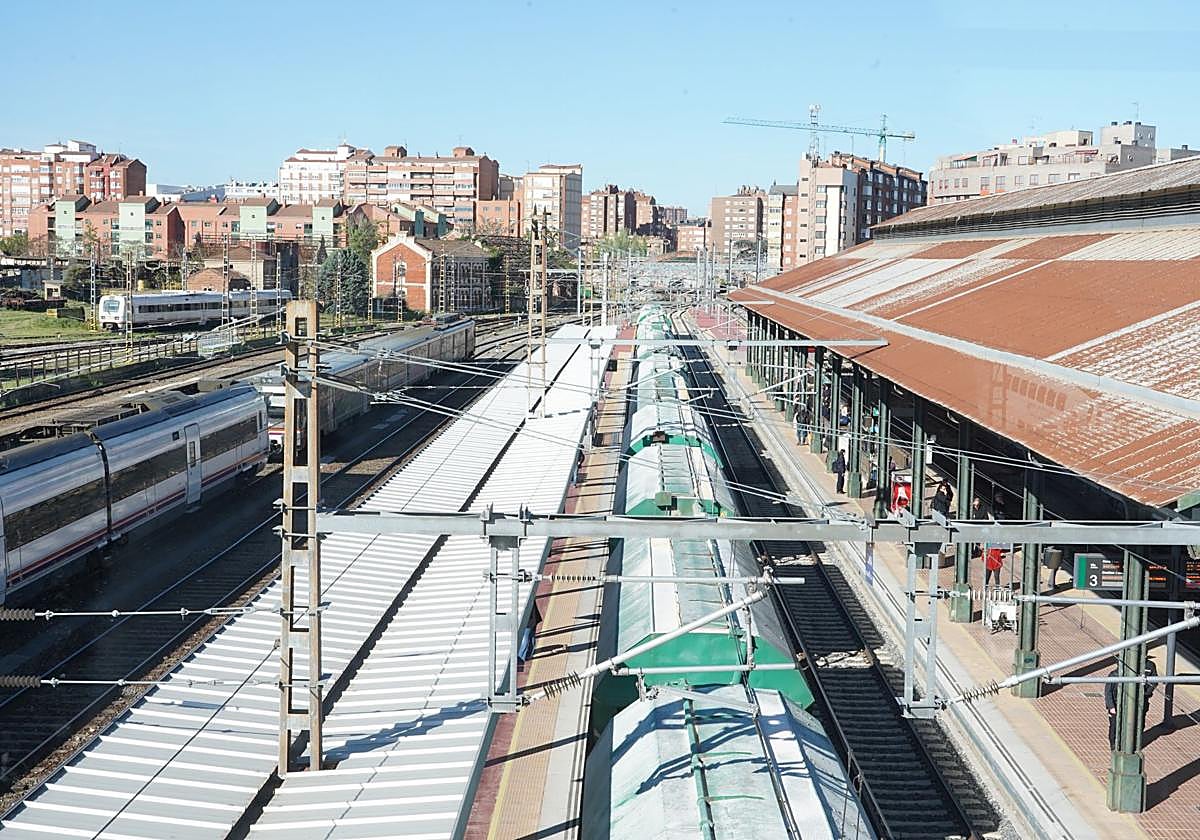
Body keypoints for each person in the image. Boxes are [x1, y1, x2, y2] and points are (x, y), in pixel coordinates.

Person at [1106, 657, 1158, 751]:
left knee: (1139, 724)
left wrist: (1145, 693)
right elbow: (1108, 692)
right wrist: (1111, 706)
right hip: (1117, 704)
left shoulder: (1149, 666)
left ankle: (1134, 743)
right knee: (1115, 725)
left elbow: (1154, 682)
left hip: (1140, 701)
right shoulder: (1114, 675)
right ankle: (1114, 745)